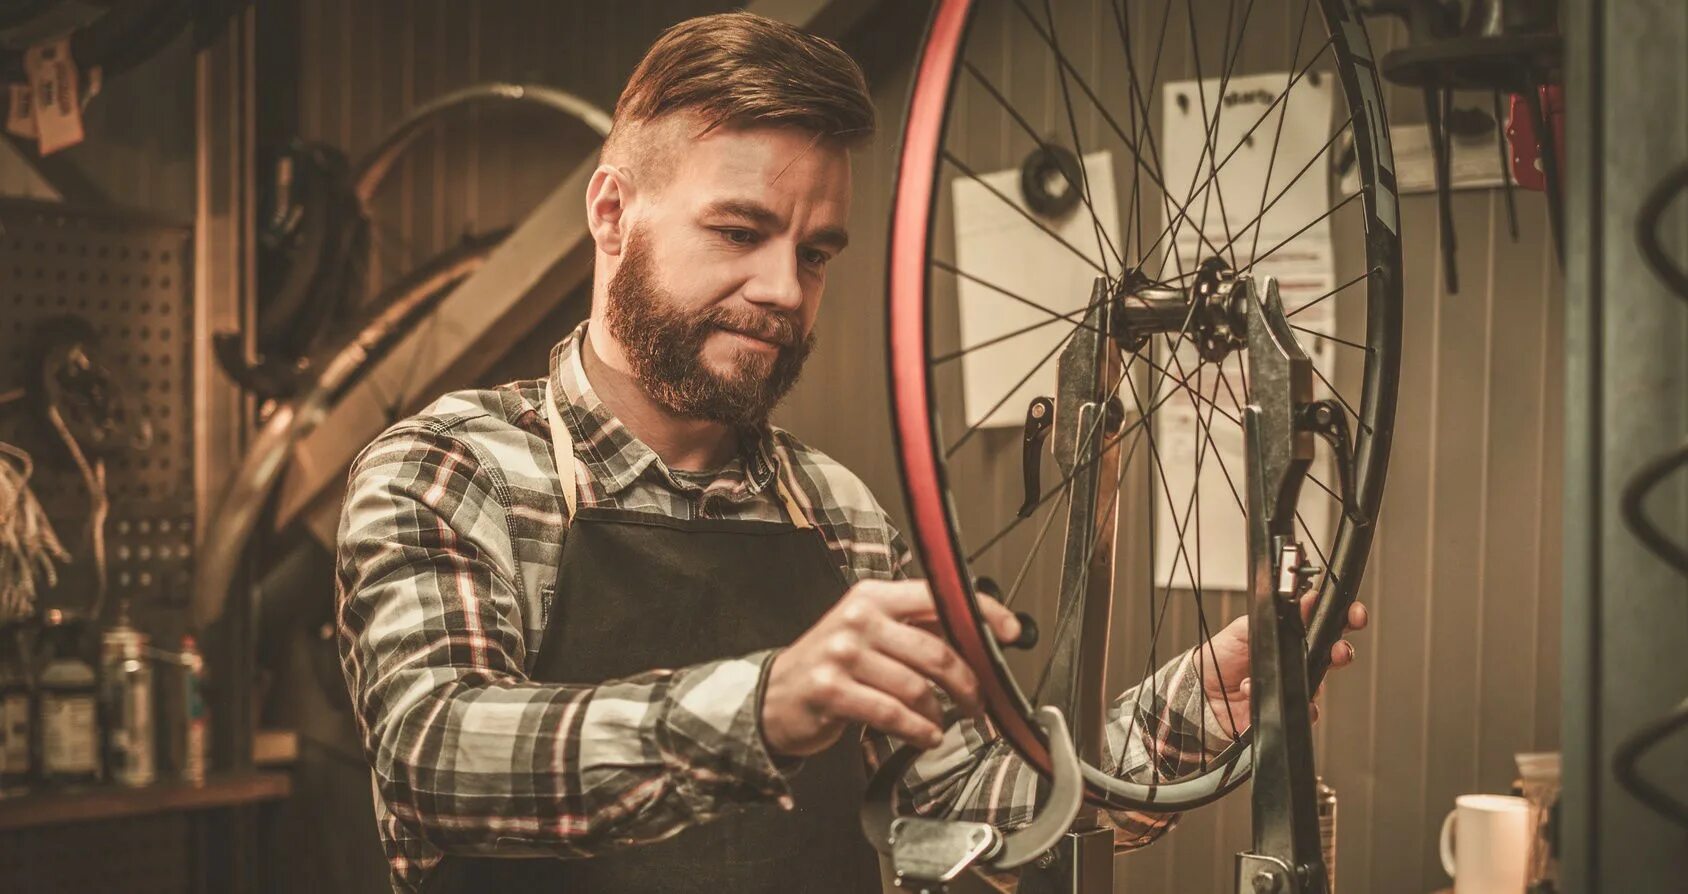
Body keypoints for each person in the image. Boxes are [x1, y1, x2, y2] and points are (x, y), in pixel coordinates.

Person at [335, 12, 1368, 894]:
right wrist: (764, 705)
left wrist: (1187, 715)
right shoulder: (447, 469)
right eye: (738, 232)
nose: (784, 289)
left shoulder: (831, 511)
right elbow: (435, 760)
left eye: (814, 252)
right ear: (612, 213)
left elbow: (965, 798)